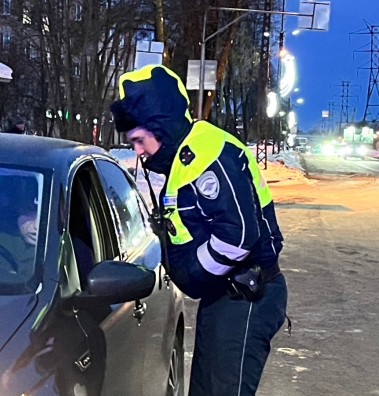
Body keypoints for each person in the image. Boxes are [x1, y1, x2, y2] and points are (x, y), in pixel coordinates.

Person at [110, 65, 287, 396]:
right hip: (224, 294)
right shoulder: (183, 160)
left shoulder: (206, 155)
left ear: (159, 127)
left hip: (247, 295)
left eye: (138, 140)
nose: (136, 150)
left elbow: (238, 237)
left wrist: (192, 271)